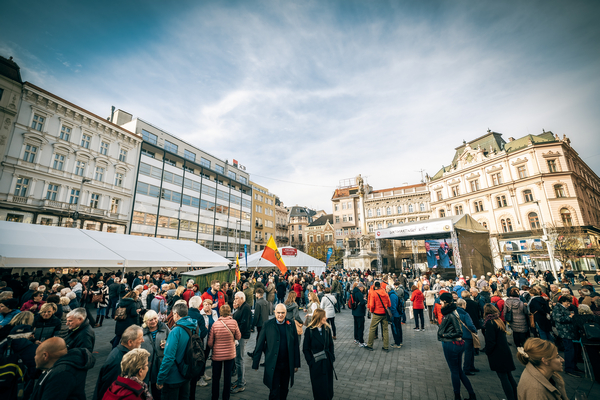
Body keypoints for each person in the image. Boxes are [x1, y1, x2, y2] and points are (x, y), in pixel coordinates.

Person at [252, 303, 301, 400]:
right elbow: (259, 345)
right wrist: (255, 362)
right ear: (275, 312)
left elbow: (295, 345)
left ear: (286, 313)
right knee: (274, 391)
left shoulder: (291, 324)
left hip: (286, 365)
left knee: (284, 389)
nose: (280, 315)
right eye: (278, 312)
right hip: (273, 365)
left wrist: (296, 364)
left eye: (283, 313)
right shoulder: (267, 324)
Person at [30, 337, 96, 400]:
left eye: (36, 354)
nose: (34, 357)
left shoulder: (61, 374)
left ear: (45, 356)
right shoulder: (60, 369)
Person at [437, 292, 475, 400]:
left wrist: (444, 334)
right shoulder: (455, 311)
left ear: (444, 301)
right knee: (459, 371)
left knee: (454, 371)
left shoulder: (450, 315)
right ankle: (472, 394)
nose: (440, 303)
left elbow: (458, 332)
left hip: (451, 344)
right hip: (457, 344)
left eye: (441, 301)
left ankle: (457, 396)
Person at [156, 303, 197, 400]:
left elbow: (169, 358)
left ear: (176, 314)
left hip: (173, 376)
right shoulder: (193, 326)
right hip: (187, 372)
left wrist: (160, 379)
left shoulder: (175, 331)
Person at [94, 325, 145, 400]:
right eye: (140, 338)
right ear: (130, 342)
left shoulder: (119, 353)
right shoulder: (119, 362)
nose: (143, 340)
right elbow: (110, 390)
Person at [483, 304, 517, 400]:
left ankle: (511, 397)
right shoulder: (499, 321)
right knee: (509, 376)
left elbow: (491, 341)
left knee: (503, 378)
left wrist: (487, 351)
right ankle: (516, 396)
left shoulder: (490, 323)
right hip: (505, 352)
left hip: (497, 354)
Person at [207, 304, 240, 400]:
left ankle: (215, 397)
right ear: (229, 312)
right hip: (230, 355)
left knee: (216, 377)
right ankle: (226, 397)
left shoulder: (215, 324)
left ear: (220, 312)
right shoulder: (234, 323)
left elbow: (210, 343)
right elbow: (238, 337)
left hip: (217, 355)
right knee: (227, 377)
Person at [303, 308, 335, 400]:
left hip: (327, 362)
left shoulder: (327, 328)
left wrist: (332, 357)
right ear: (319, 318)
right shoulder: (310, 330)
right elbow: (305, 349)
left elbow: (331, 344)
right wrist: (311, 362)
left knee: (328, 387)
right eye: (324, 316)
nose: (326, 317)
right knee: (318, 388)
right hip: (316, 363)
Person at [140, 310, 170, 400]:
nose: (153, 321)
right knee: (144, 387)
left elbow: (171, 339)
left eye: (155, 319)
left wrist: (167, 344)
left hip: (159, 363)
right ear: (145, 321)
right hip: (145, 364)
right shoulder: (141, 331)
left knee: (158, 389)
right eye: (150, 320)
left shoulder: (164, 327)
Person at [551, 294, 581, 377]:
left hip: (571, 332)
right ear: (562, 302)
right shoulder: (557, 308)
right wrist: (570, 317)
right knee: (569, 350)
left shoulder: (568, 308)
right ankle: (569, 368)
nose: (569, 305)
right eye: (567, 303)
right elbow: (558, 319)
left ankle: (574, 366)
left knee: (574, 350)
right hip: (565, 332)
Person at [573, 304, 600, 383]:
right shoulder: (596, 317)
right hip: (598, 339)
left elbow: (575, 330)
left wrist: (576, 338)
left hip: (588, 340)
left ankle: (598, 377)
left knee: (594, 360)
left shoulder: (577, 318)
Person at [231, 291, 251, 393]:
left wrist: (236, 335)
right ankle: (240, 379)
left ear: (242, 298)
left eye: (236, 298)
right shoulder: (241, 307)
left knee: (239, 360)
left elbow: (244, 324)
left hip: (241, 337)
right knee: (238, 359)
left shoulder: (246, 308)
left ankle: (241, 384)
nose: (235, 300)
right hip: (240, 336)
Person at [365, 281, 390, 352]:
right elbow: (389, 304)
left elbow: (372, 305)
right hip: (384, 313)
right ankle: (386, 346)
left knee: (372, 328)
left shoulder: (374, 293)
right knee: (385, 330)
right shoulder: (385, 293)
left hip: (377, 313)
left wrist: (372, 311)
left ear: (374, 286)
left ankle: (370, 345)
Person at [198, 298, 218, 387]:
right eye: (206, 304)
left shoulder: (214, 313)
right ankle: (199, 378)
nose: (208, 306)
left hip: (213, 338)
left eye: (209, 304)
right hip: (204, 339)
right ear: (203, 305)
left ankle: (203, 374)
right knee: (203, 357)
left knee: (208, 357)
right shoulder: (201, 314)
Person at [456, 299, 478, 376]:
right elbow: (470, 325)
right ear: (463, 305)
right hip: (467, 335)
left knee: (467, 352)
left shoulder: (454, 313)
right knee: (469, 353)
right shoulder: (465, 314)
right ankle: (467, 368)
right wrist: (475, 331)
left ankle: (470, 367)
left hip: (459, 335)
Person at [249, 288, 269, 358]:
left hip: (260, 324)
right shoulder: (266, 302)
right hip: (266, 323)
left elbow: (256, 316)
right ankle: (255, 353)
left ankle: (259, 354)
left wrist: (252, 325)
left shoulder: (258, 303)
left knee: (260, 341)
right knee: (260, 340)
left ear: (258, 294)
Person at [387, 284, 403, 349]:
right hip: (398, 314)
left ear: (388, 289)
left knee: (395, 329)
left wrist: (391, 314)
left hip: (395, 314)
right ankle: (400, 341)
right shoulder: (395, 293)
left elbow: (393, 307)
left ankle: (397, 343)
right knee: (399, 328)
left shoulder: (392, 295)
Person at [351, 282, 367, 346]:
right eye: (363, 287)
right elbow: (362, 303)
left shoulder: (353, 292)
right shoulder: (359, 293)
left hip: (354, 311)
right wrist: (365, 300)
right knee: (361, 327)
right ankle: (361, 341)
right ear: (360, 287)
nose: (363, 289)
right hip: (359, 312)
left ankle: (356, 338)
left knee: (356, 326)